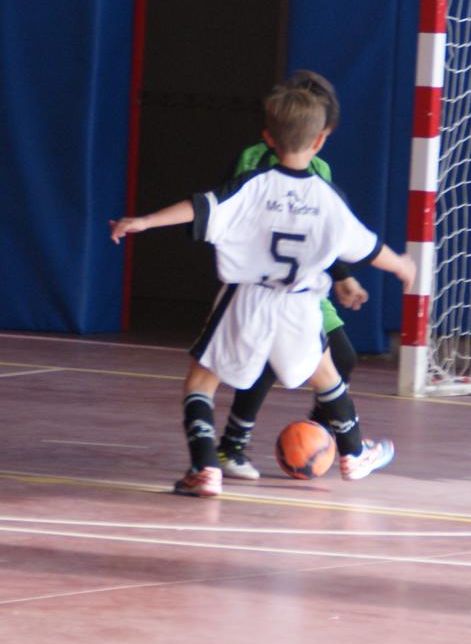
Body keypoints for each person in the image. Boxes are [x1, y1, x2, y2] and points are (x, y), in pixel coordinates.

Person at [110, 84, 416, 497]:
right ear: (320, 140)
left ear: (268, 137)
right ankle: (354, 453)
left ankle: (205, 467)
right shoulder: (328, 197)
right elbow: (369, 247)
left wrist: (144, 221)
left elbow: (200, 207)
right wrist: (402, 266)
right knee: (327, 376)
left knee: (201, 381)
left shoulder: (252, 185)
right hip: (299, 305)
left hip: (247, 298)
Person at [215, 70, 368, 481]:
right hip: (260, 286)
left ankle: (318, 436)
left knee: (343, 358)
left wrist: (342, 276)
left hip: (305, 288)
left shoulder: (320, 170)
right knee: (263, 362)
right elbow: (224, 215)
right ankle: (232, 446)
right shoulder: (252, 164)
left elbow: (326, 233)